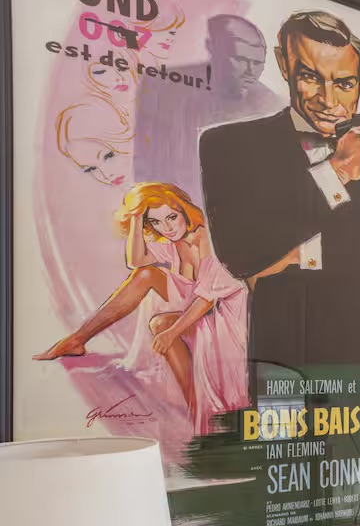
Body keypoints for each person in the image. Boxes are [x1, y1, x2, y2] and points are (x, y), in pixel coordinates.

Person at [199, 10, 360, 373]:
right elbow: (242, 256)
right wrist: (336, 172)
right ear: (283, 65)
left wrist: (291, 256)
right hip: (283, 361)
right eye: (310, 77)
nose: (328, 99)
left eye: (344, 83)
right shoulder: (228, 146)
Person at [34, 183, 257, 435]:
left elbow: (206, 299)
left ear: (184, 211)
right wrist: (138, 217)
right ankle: (77, 339)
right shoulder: (174, 242)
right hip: (199, 309)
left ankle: (199, 412)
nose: (167, 227)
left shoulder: (207, 240)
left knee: (161, 325)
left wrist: (171, 333)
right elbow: (136, 261)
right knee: (145, 275)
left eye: (171, 217)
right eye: (156, 222)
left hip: (226, 319)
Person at [134, 15, 280, 200]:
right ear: (212, 48)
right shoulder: (162, 87)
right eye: (240, 59)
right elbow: (143, 160)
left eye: (258, 63)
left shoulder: (271, 104)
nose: (251, 71)